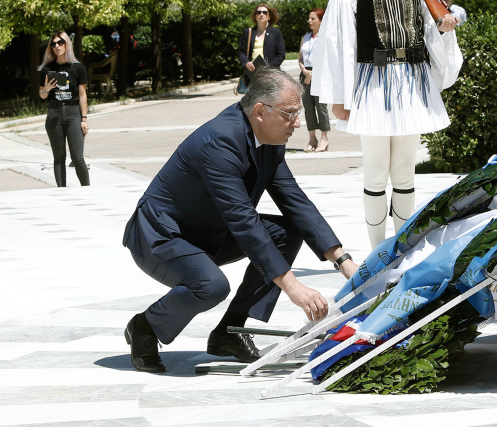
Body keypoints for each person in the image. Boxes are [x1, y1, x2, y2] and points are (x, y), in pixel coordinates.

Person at [122, 68, 359, 372]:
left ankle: (229, 332)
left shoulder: (268, 135)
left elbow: (294, 200)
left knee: (286, 231)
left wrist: (343, 260)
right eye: (290, 113)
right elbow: (243, 221)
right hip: (161, 237)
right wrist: (292, 286)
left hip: (209, 234)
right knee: (210, 285)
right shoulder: (220, 141)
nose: (297, 123)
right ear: (260, 111)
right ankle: (145, 327)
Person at [313, 0, 463, 248]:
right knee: (376, 171)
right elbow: (339, 44)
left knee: (405, 171)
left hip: (410, 82)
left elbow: (429, 26)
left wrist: (443, 26)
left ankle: (403, 248)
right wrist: (339, 97)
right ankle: (378, 251)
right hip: (372, 84)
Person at [38, 31, 90, 187]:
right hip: (54, 113)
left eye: (60, 43)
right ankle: (61, 191)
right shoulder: (47, 69)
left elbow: (82, 95)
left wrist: (84, 119)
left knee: (77, 157)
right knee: (59, 157)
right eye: (53, 44)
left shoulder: (78, 68)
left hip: (74, 113)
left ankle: (87, 190)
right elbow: (41, 96)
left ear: (67, 44)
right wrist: (46, 89)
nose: (57, 46)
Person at [298, 8, 331, 152]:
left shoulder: (325, 37)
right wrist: (305, 72)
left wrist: (314, 74)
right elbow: (300, 57)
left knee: (321, 107)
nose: (309, 21)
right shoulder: (305, 37)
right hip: (305, 74)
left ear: (321, 21)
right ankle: (312, 138)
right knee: (308, 107)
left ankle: (324, 138)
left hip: (320, 74)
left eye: (313, 19)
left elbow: (328, 58)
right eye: (309, 18)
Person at [236, 4, 285, 94]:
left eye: (264, 12)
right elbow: (241, 52)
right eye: (258, 12)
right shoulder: (248, 32)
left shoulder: (276, 33)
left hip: (270, 75)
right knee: (254, 103)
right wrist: (246, 63)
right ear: (255, 16)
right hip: (252, 75)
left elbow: (281, 54)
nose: (261, 14)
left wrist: (269, 67)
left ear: (269, 16)